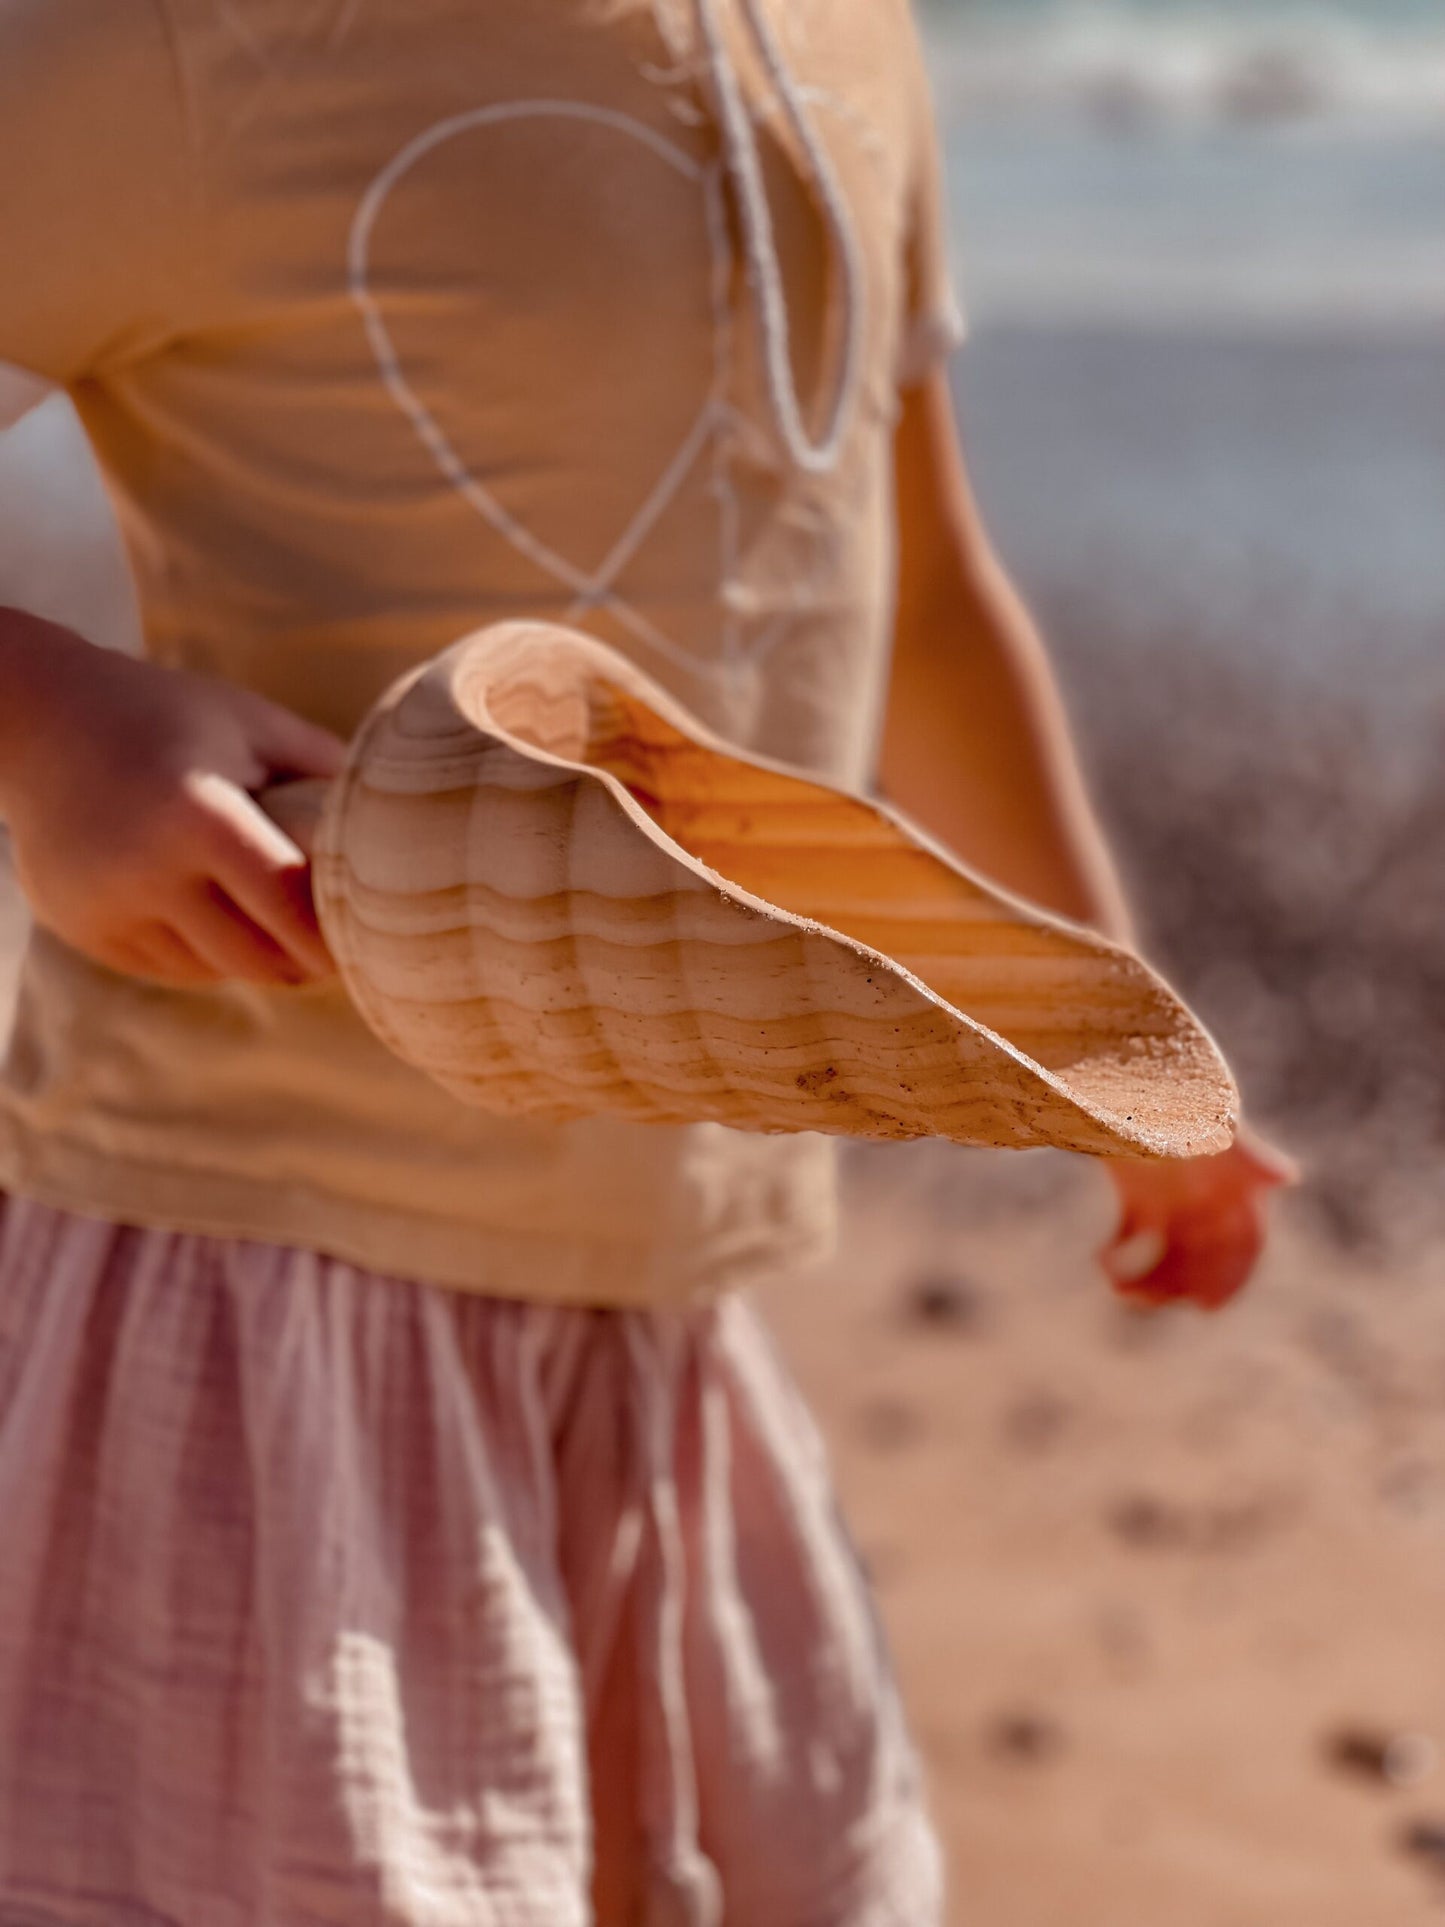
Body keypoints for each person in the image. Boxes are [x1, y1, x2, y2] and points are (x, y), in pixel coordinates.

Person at [0, 1, 1289, 1921]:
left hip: (671, 1308)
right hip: (258, 1279)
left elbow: (922, 595)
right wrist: (55, 730)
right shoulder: (191, 41)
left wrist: (1105, 1045)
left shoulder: (843, 39)